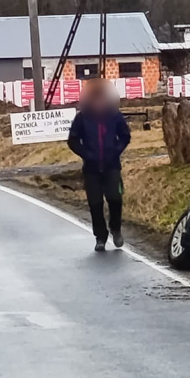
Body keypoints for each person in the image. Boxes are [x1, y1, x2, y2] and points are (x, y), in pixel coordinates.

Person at [67, 80, 132, 251]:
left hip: (112, 166)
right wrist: (86, 154)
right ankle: (100, 237)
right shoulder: (82, 118)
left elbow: (125, 136)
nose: (98, 102)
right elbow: (73, 140)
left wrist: (115, 151)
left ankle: (116, 229)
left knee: (115, 198)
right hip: (91, 169)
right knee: (95, 203)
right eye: (95, 99)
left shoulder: (115, 116)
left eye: (101, 98)